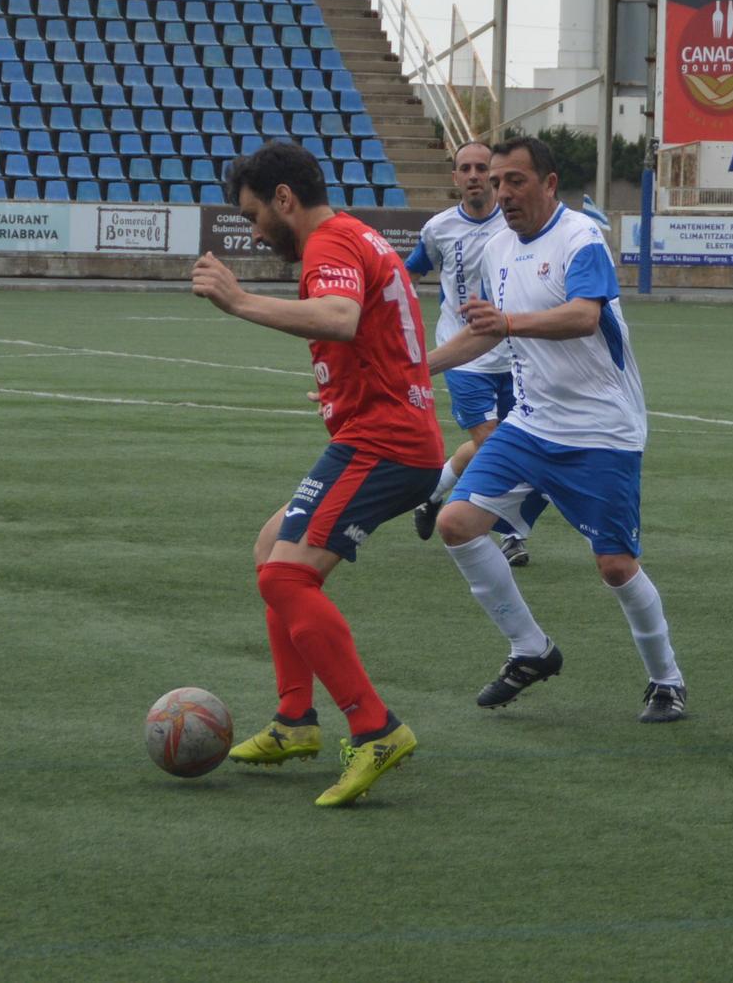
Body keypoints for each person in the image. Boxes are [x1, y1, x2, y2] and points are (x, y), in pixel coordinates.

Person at [190, 141, 443, 807]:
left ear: (284, 199)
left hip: (385, 443)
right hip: (386, 432)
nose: (252, 231)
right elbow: (373, 335)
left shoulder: (328, 245)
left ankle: (375, 727)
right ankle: (295, 719)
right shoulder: (357, 235)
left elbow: (340, 317)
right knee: (270, 547)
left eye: (253, 215)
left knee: (285, 574)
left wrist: (241, 301)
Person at [427, 136, 689, 725]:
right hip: (531, 422)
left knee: (616, 567)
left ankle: (666, 681)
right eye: (496, 182)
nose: (502, 193)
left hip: (600, 431)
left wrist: (511, 321)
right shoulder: (496, 247)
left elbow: (584, 315)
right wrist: (412, 372)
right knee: (457, 523)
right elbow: (486, 332)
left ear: (548, 184)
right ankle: (530, 649)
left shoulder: (580, 237)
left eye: (514, 181)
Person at [405, 140, 533, 566]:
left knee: (508, 445)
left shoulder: (515, 223)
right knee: (500, 446)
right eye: (467, 168)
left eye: (483, 167)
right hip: (465, 357)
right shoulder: (438, 229)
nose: (475, 175)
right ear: (455, 177)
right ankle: (511, 534)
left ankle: (434, 495)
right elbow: (407, 274)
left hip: (515, 354)